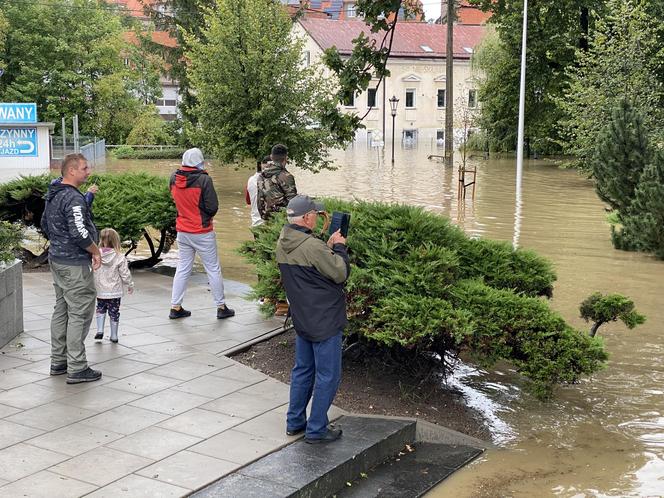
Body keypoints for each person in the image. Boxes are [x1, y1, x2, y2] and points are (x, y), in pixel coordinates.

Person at [276, 195, 350, 444]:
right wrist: (339, 247)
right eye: (316, 215)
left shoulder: (283, 241)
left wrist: (326, 246)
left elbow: (309, 270)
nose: (318, 218)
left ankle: (295, 422)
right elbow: (339, 272)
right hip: (325, 320)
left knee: (302, 371)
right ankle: (317, 429)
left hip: (303, 318)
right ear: (307, 217)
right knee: (328, 375)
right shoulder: (312, 246)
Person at [41, 153, 102, 384]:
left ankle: (59, 362)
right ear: (72, 171)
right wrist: (95, 251)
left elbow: (45, 224)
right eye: (85, 168)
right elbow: (79, 232)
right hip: (74, 264)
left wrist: (59, 243)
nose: (89, 171)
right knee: (80, 311)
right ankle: (77, 366)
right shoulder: (73, 198)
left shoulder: (53, 193)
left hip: (57, 260)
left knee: (62, 308)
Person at [168, 147, 235, 320]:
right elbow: (212, 207)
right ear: (199, 162)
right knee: (213, 269)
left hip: (182, 230)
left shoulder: (173, 178)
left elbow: (174, 200)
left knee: (182, 268)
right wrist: (203, 216)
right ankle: (221, 307)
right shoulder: (204, 180)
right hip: (202, 231)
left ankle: (175, 307)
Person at [93, 228, 135, 343]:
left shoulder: (96, 255)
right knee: (114, 311)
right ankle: (114, 335)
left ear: (101, 239)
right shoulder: (119, 256)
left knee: (100, 308)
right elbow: (125, 274)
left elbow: (91, 269)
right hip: (114, 291)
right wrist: (130, 284)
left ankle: (100, 330)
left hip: (100, 290)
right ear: (116, 240)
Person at [257, 144, 298, 220]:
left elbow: (260, 201)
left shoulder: (261, 176)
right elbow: (293, 202)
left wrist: (264, 217)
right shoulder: (286, 176)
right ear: (286, 158)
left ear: (271, 157)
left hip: (266, 217)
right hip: (282, 219)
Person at [245, 155, 271, 229]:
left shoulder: (250, 180)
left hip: (255, 223)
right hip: (268, 224)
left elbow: (248, 201)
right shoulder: (271, 180)